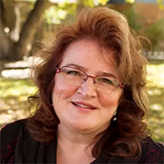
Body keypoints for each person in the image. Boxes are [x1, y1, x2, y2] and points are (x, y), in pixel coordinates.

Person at [0, 7, 164, 164]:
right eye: (73, 72)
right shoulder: (10, 141)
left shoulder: (153, 159)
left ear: (123, 96)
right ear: (52, 80)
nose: (87, 91)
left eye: (106, 80)